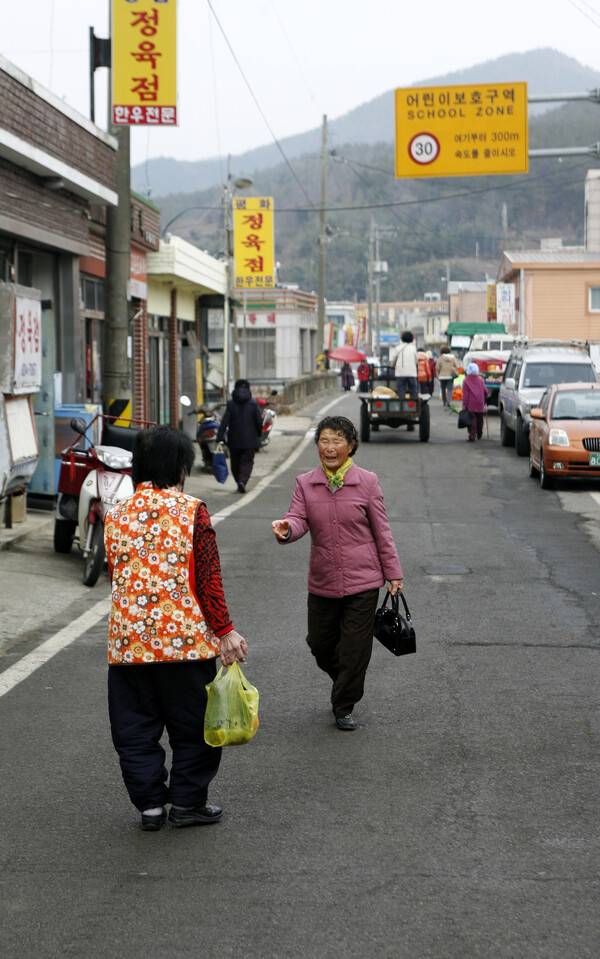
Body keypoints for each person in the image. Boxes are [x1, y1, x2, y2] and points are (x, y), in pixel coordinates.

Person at [104, 426, 248, 831]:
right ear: (181, 467)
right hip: (184, 643)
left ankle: (150, 807)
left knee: (134, 730)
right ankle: (186, 803)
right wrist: (225, 631)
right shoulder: (193, 510)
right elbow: (208, 579)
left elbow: (115, 574)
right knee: (193, 727)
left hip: (129, 645)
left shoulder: (115, 515)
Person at [271, 416, 403, 731]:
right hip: (323, 581)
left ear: (351, 445)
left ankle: (343, 704)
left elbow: (382, 532)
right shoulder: (305, 483)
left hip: (364, 581)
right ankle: (345, 679)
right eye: (325, 441)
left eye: (337, 441)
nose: (330, 448)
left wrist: (393, 573)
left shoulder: (367, 482)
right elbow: (298, 518)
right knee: (319, 643)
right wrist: (287, 529)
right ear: (318, 445)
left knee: (355, 649)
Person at [217, 378, 263, 493]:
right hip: (250, 441)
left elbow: (224, 421)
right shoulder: (253, 403)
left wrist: (220, 436)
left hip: (234, 440)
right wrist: (259, 435)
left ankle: (239, 481)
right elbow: (259, 422)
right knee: (247, 462)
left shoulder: (231, 404)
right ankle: (243, 481)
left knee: (235, 463)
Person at [390, 330, 418, 430]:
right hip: (412, 373)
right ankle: (414, 410)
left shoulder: (398, 348)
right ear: (411, 339)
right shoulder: (413, 348)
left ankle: (402, 409)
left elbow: (393, 360)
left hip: (400, 373)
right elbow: (416, 361)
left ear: (402, 338)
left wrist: (392, 366)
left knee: (401, 391)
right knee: (413, 391)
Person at [462, 362, 489, 441]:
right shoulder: (480, 380)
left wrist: (464, 404)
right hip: (480, 402)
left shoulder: (466, 381)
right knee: (480, 418)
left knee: (472, 419)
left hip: (471, 403)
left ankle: (472, 435)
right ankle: (480, 433)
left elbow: (465, 395)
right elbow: (486, 391)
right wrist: (485, 398)